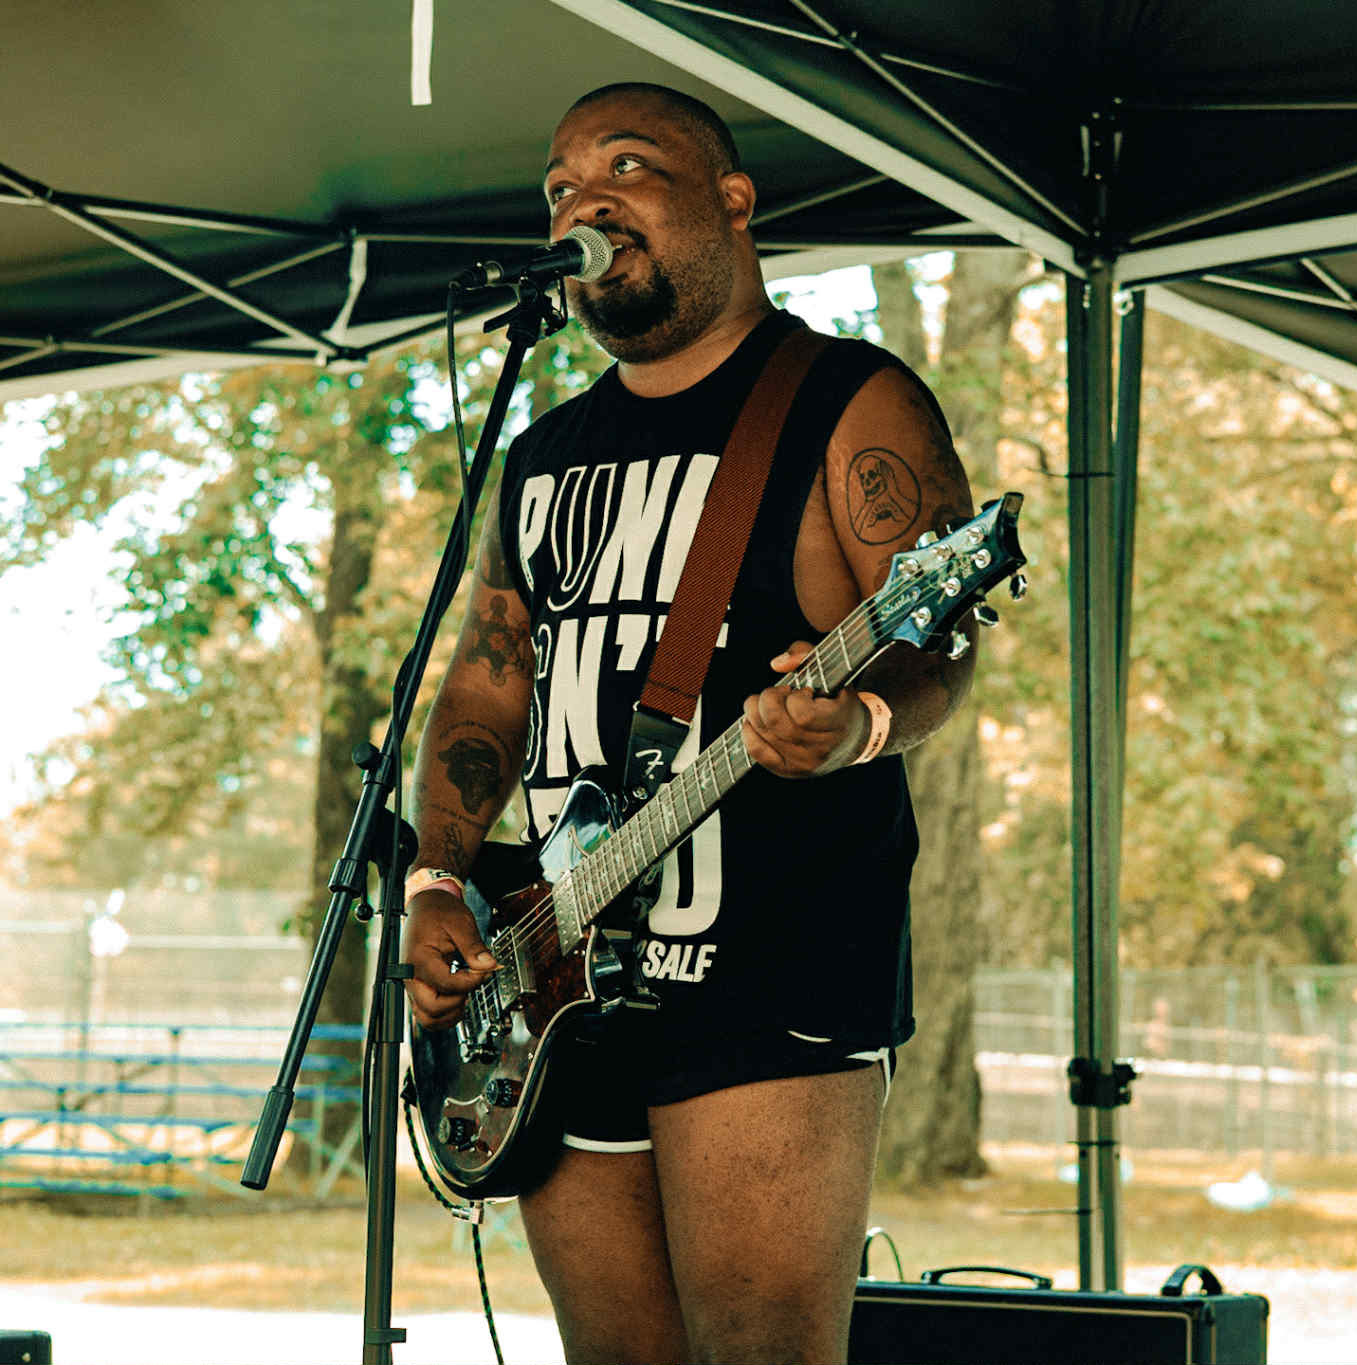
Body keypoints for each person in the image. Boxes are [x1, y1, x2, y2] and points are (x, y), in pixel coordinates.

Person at [399, 81, 976, 1365]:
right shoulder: (541, 452)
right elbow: (488, 688)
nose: (583, 200)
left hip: (771, 962)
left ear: (732, 200)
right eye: (558, 186)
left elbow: (937, 634)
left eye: (626, 166)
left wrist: (860, 722)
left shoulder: (846, 398)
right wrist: (437, 877)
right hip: (552, 962)